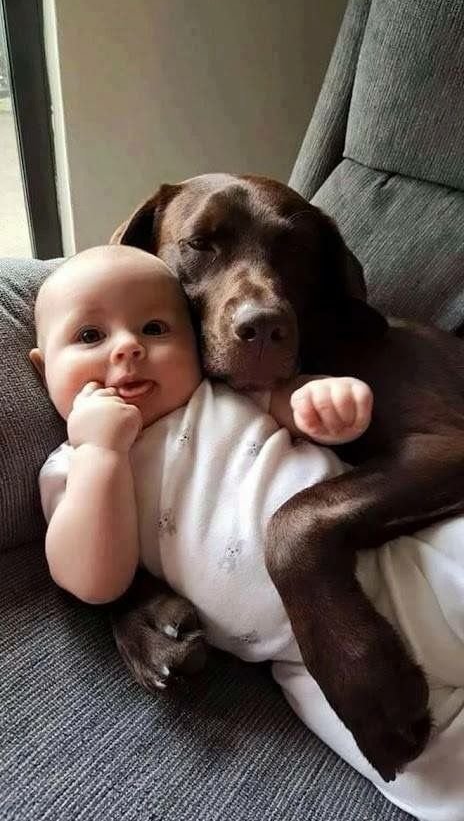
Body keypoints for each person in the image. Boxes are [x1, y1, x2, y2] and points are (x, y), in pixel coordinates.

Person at [31, 245, 464, 821]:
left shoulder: (226, 396)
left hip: (399, 563)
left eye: (156, 328)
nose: (128, 347)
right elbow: (94, 580)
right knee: (421, 775)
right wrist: (101, 451)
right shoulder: (70, 468)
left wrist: (327, 401)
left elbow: (299, 404)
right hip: (302, 661)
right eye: (89, 337)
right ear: (42, 368)